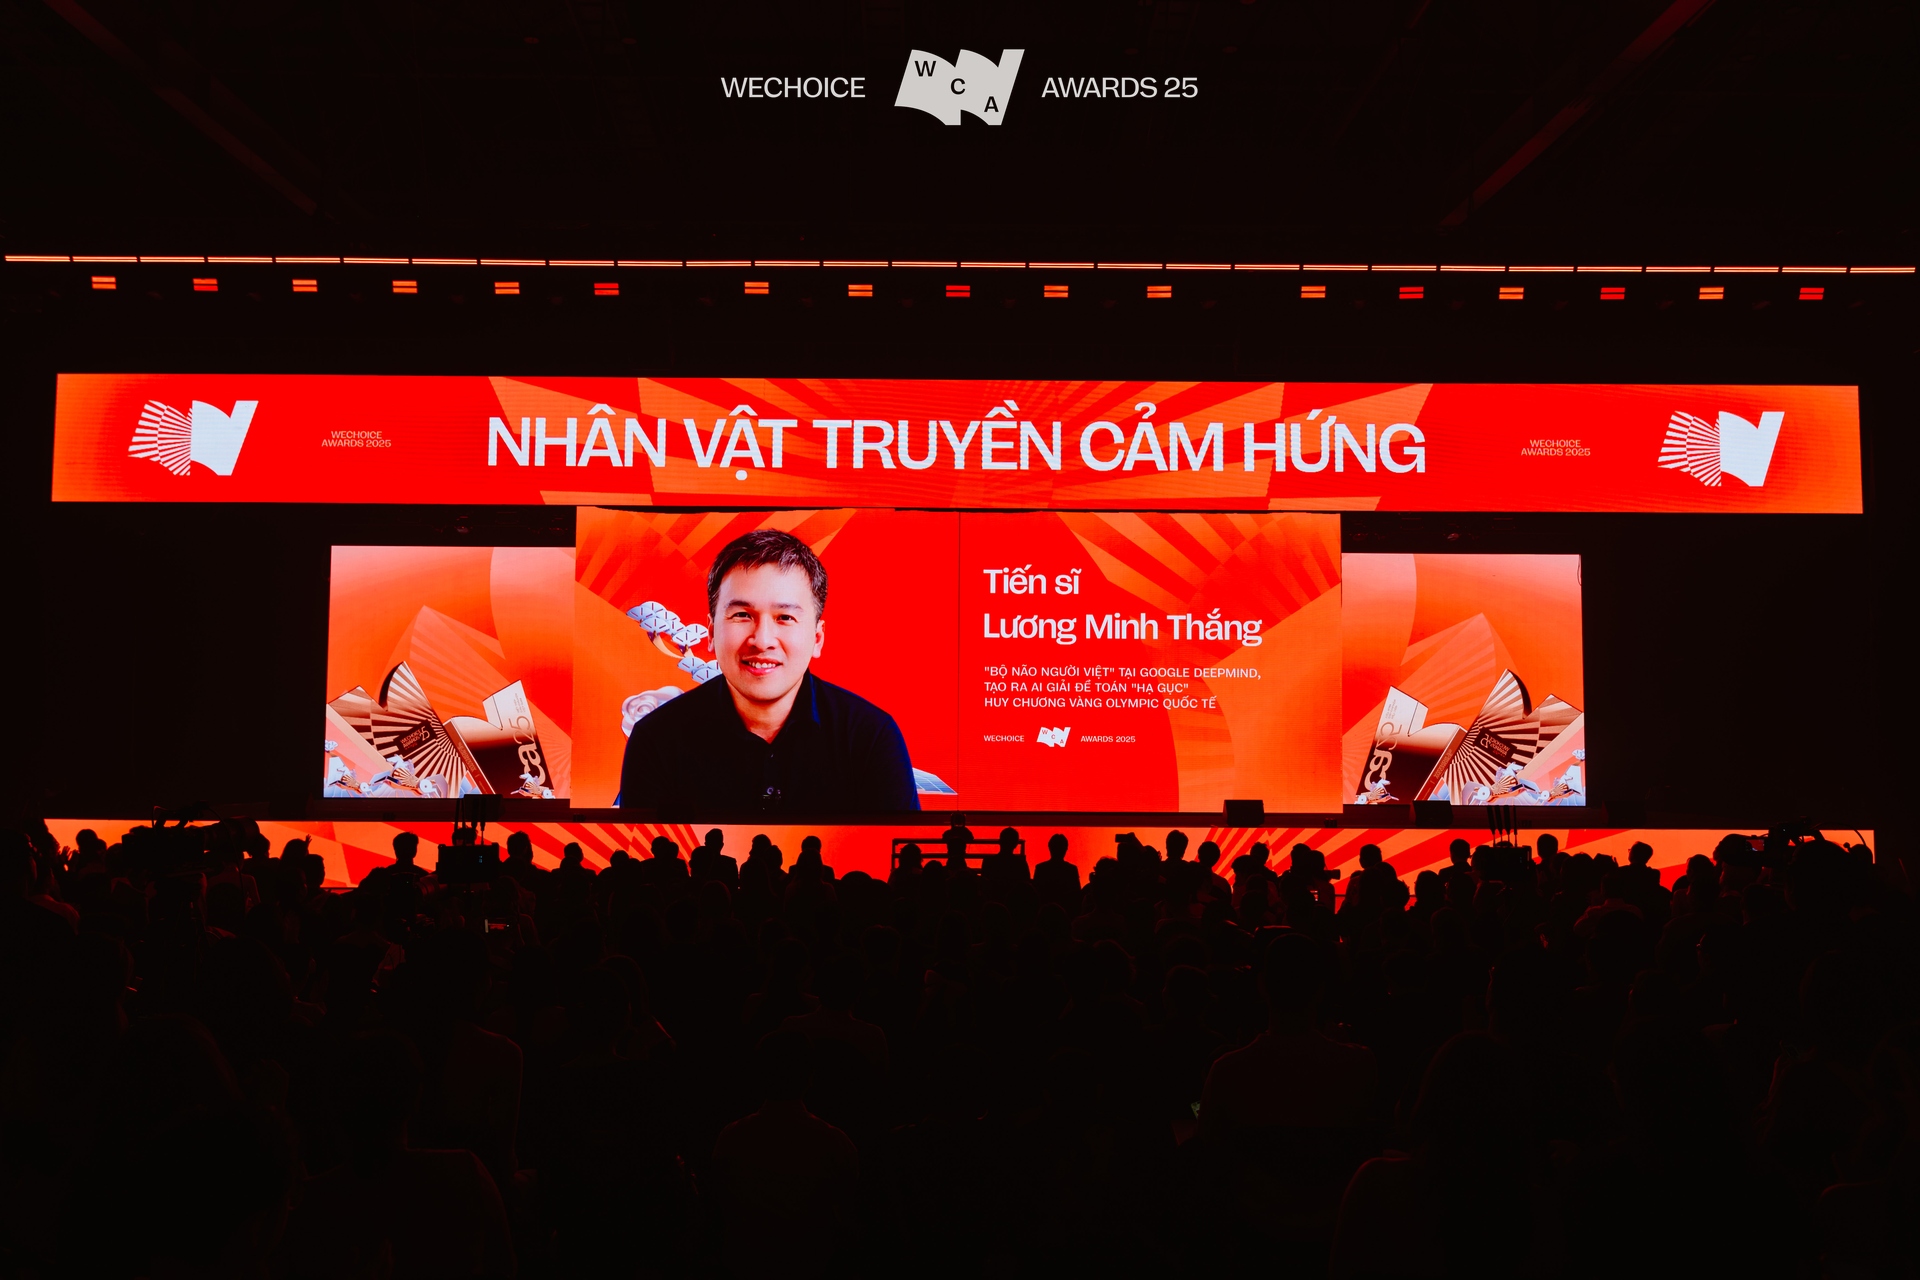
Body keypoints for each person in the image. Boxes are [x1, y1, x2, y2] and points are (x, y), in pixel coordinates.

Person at [619, 529, 918, 814]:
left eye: (784, 617)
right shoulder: (656, 741)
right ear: (710, 633)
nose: (762, 641)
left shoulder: (871, 738)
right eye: (742, 615)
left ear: (817, 638)